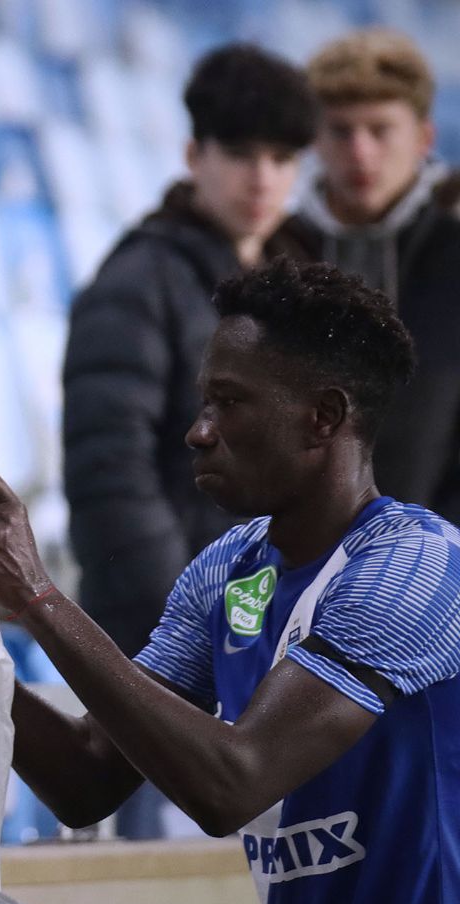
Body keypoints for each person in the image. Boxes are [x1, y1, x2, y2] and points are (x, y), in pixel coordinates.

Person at [0, 258, 460, 904]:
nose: (198, 432)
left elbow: (234, 784)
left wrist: (38, 598)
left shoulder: (417, 568)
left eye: (230, 403)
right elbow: (88, 779)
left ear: (323, 417)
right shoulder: (228, 568)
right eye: (204, 403)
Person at [61, 44, 317, 838]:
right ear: (193, 153)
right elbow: (110, 477)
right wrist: (197, 635)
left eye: (282, 158)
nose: (262, 178)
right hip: (160, 658)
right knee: (155, 874)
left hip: (278, 641)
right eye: (240, 153)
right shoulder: (137, 280)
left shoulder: (303, 276)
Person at [294, 28, 460, 523]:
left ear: (423, 138)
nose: (361, 153)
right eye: (341, 131)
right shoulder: (273, 253)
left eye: (380, 130)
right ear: (314, 138)